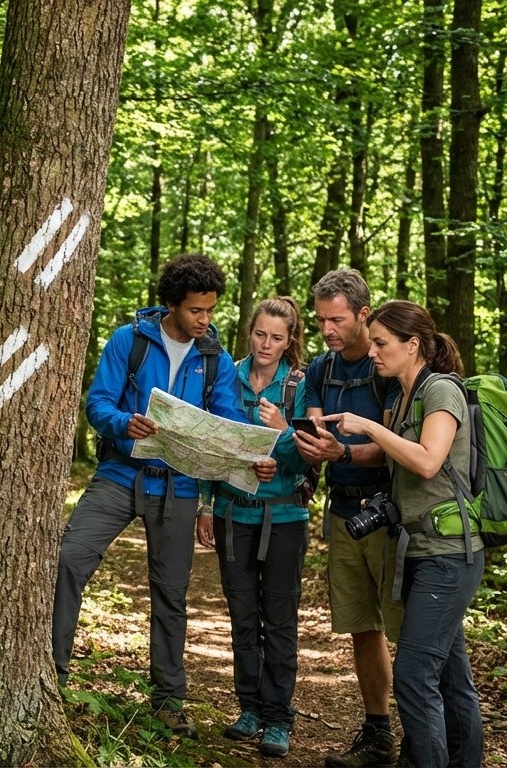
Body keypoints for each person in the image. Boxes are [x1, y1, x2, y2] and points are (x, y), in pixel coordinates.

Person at [52, 254, 276, 739]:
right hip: (119, 474)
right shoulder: (129, 341)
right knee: (71, 557)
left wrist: (246, 459)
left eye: (212, 310)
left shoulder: (212, 358)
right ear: (172, 304)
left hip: (178, 487)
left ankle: (170, 702)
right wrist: (122, 423)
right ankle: (53, 676)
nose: (205, 320)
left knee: (171, 594)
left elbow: (224, 425)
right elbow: (98, 402)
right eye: (197, 310)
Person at [321, 299, 484, 767]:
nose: (372, 351)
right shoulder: (403, 396)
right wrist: (344, 452)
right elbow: (393, 456)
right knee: (452, 678)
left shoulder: (442, 392)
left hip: (449, 556)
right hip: (419, 549)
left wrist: (369, 425)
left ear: (413, 345)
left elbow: (429, 459)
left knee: (414, 676)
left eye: (381, 343)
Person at [292, 269, 402, 767]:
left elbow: (399, 449)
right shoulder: (320, 368)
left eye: (337, 320)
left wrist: (343, 453)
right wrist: (308, 446)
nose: (328, 330)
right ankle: (379, 734)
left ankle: (430, 739)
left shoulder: (390, 369)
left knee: (409, 629)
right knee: (363, 627)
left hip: (389, 512)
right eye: (320, 321)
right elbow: (318, 434)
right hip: (342, 511)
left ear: (363, 313)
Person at [197, 297, 311, 758]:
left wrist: (282, 433)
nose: (267, 345)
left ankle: (278, 718)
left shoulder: (299, 385)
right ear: (251, 331)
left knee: (278, 621)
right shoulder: (229, 373)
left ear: (290, 342)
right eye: (261, 334)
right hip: (231, 514)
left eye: (277, 338)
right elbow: (210, 440)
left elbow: (307, 452)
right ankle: (249, 707)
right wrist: (206, 504)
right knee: (242, 617)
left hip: (283, 518)